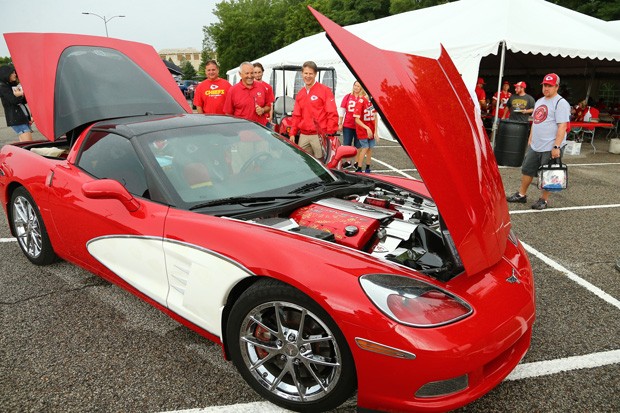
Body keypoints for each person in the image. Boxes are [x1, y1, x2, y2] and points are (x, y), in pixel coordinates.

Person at [506, 73, 571, 210]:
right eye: (545, 85)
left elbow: (562, 126)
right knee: (527, 170)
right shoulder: (540, 101)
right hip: (536, 144)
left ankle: (543, 200)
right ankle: (521, 194)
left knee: (548, 173)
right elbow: (536, 121)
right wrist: (531, 138)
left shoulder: (561, 103)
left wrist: (556, 146)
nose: (546, 88)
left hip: (550, 145)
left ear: (556, 87)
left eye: (550, 86)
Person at [289, 61, 339, 158]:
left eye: (310, 73)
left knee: (321, 164)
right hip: (304, 134)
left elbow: (332, 113)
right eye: (306, 73)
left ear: (315, 74)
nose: (308, 76)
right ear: (302, 74)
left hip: (319, 135)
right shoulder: (300, 94)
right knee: (303, 161)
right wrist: (292, 133)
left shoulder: (325, 90)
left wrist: (329, 134)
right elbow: (296, 115)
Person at [0, 64, 33, 142]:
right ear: (6, 74)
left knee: (25, 145)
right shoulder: (2, 87)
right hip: (16, 119)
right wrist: (20, 94)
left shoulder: (12, 86)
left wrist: (23, 94)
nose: (15, 74)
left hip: (22, 118)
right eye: (12, 73)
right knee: (29, 145)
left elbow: (23, 101)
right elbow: (14, 101)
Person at [338, 81, 362, 168]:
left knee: (358, 145)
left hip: (359, 126)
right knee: (347, 143)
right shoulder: (348, 96)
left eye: (358, 86)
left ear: (361, 88)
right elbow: (342, 110)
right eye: (355, 85)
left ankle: (356, 162)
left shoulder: (363, 98)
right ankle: (348, 162)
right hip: (348, 124)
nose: (356, 87)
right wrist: (340, 123)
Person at [353, 88, 378, 173]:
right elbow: (356, 119)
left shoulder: (372, 101)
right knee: (365, 147)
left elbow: (375, 117)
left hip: (371, 129)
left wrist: (376, 132)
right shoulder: (361, 101)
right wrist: (366, 128)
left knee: (370, 148)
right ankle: (359, 168)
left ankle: (367, 167)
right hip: (363, 130)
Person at [252, 62, 275, 127]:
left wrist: (270, 117)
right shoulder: (249, 86)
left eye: (259, 72)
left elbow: (270, 104)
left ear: (262, 72)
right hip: (252, 119)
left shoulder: (268, 87)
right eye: (255, 72)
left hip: (265, 119)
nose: (257, 74)